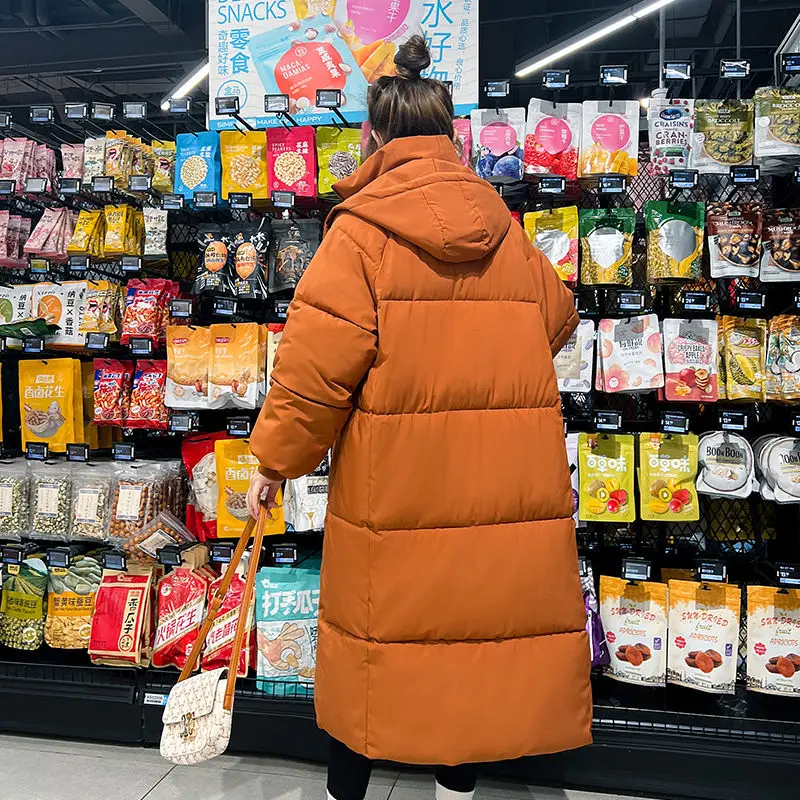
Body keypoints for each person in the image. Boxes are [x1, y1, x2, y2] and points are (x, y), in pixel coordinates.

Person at [247, 34, 592, 800]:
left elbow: (313, 374)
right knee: (465, 650)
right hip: (498, 486)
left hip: (395, 489)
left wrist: (273, 464)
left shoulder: (360, 232)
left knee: (372, 652)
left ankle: (349, 792)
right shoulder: (503, 229)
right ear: (453, 138)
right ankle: (454, 791)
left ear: (372, 136)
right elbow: (561, 318)